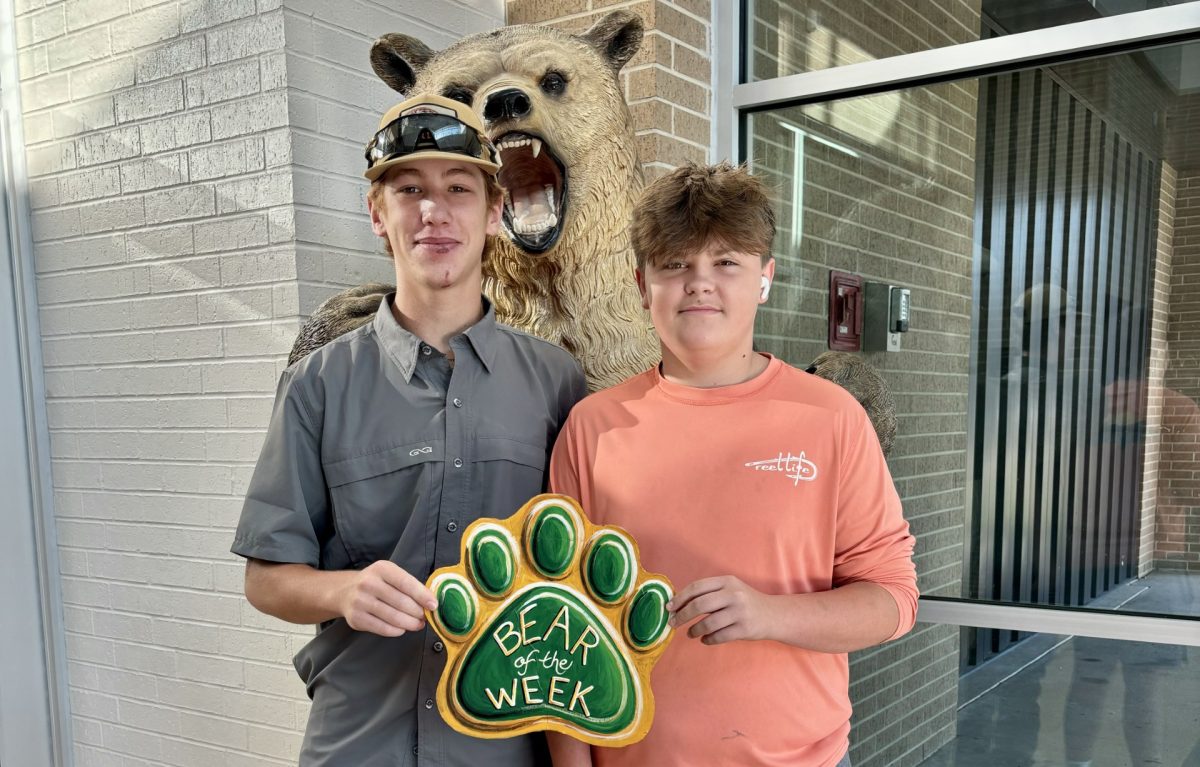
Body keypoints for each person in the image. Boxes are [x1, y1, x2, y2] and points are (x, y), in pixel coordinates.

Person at [232, 93, 587, 766]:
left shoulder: (557, 384)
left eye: (458, 188)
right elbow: (266, 575)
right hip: (361, 742)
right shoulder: (318, 384)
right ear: (378, 213)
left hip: (505, 748)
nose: (434, 210)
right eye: (409, 190)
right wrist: (342, 590)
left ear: (492, 214)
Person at [546, 162, 918, 767]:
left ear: (764, 279)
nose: (699, 283)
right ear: (643, 285)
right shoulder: (594, 428)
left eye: (726, 263)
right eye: (675, 264)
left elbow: (894, 601)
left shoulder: (830, 418)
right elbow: (558, 624)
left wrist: (768, 614)